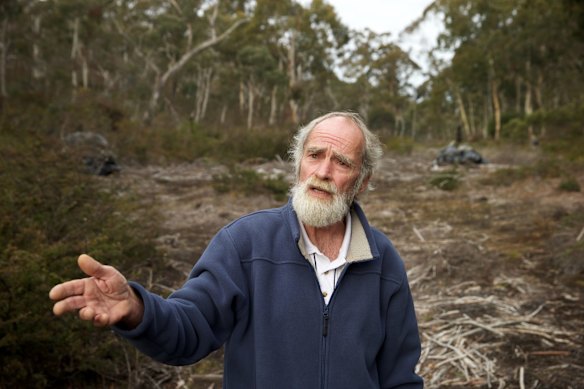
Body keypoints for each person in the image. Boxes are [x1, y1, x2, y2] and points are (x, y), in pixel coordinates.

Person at [50, 111, 424, 388]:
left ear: (361, 182)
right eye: (314, 155)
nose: (323, 171)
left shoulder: (383, 261)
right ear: (298, 164)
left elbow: (399, 378)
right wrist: (136, 308)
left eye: (341, 162)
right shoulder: (245, 244)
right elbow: (189, 329)